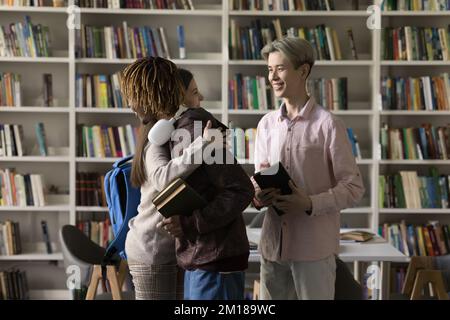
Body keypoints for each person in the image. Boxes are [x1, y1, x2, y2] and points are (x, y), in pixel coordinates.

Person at [252, 37, 365, 300]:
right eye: (270, 70)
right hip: (273, 248)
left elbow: (353, 187)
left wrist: (309, 203)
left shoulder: (328, 125)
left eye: (280, 68)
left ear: (303, 71)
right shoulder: (266, 125)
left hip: (313, 251)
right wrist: (257, 195)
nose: (273, 77)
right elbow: (261, 175)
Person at [121, 57, 218, 299]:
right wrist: (205, 144)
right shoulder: (156, 140)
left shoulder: (166, 131)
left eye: (133, 98)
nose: (131, 106)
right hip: (151, 250)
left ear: (149, 96)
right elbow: (163, 178)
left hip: (162, 248)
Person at [158, 93, 254, 301]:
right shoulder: (175, 134)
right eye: (195, 91)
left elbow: (241, 189)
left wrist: (191, 223)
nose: (201, 96)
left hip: (215, 260)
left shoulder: (200, 131)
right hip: (199, 257)